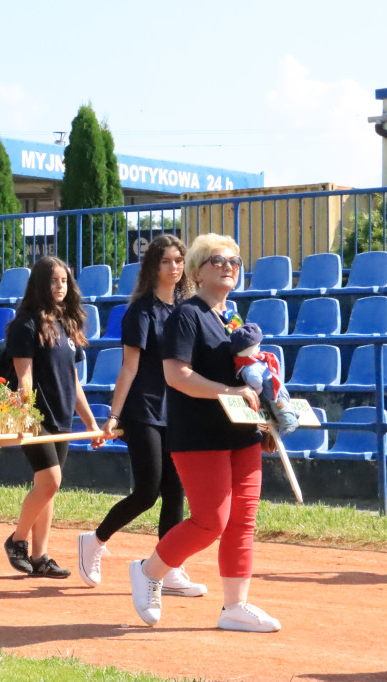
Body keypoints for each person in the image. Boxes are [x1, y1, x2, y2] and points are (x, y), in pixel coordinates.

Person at [127, 234, 280, 633]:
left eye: (235, 260)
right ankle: (149, 570)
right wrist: (231, 391)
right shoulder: (186, 315)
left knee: (242, 522)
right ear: (196, 271)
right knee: (211, 521)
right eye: (218, 260)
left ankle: (235, 607)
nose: (229, 265)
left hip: (242, 434)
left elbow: (248, 374)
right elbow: (176, 375)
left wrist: (265, 407)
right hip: (199, 434)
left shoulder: (233, 319)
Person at [78, 236, 206, 598]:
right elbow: (129, 367)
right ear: (153, 267)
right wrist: (113, 415)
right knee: (148, 492)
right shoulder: (140, 312)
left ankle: (169, 568)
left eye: (179, 260)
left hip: (176, 412)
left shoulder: (185, 311)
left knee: (175, 492)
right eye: (166, 261)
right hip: (143, 411)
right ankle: (95, 540)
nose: (175, 267)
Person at [2, 256, 99, 579]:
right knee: (51, 481)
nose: (61, 286)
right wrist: (26, 416)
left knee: (48, 487)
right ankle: (17, 541)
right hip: (36, 415)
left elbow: (72, 381)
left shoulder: (66, 324)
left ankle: (40, 556)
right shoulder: (25, 324)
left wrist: (90, 423)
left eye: (65, 281)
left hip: (61, 416)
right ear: (40, 284)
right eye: (55, 280)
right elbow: (24, 378)